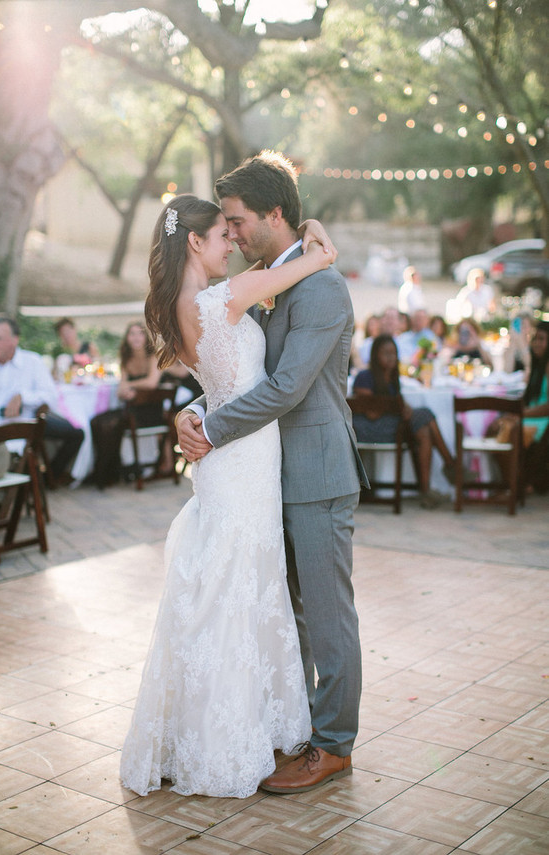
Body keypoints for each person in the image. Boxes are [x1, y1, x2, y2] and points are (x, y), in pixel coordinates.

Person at [120, 191, 341, 799]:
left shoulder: (187, 304)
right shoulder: (223, 298)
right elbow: (317, 258)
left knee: (229, 590)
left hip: (232, 462)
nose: (232, 245)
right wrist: (312, 230)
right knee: (239, 591)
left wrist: (188, 414)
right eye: (222, 235)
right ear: (195, 241)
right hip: (241, 462)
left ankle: (215, 728)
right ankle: (225, 738)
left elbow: (221, 389)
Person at [175, 151, 367, 796]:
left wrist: (211, 430)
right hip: (266, 475)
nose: (231, 234)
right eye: (225, 225)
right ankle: (298, 728)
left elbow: (286, 387)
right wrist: (194, 409)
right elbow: (239, 374)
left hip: (317, 472)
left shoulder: (321, 287)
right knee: (290, 613)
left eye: (237, 220)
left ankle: (333, 746)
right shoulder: (269, 280)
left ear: (274, 213)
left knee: (327, 615)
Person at [352, 334, 462, 508]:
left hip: (391, 426)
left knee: (424, 430)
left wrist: (403, 409)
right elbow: (371, 412)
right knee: (425, 415)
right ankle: (450, 466)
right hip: (371, 429)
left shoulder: (392, 378)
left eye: (393, 353)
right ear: (375, 355)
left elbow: (395, 405)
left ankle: (427, 490)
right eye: (386, 353)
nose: (391, 357)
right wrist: (397, 409)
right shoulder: (365, 377)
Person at [0, 316, 83, 484]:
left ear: (15, 339)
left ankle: (50, 478)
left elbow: (51, 396)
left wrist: (23, 396)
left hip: (22, 431)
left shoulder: (32, 362)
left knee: (76, 434)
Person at [90, 320, 168, 489]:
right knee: (97, 422)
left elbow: (152, 383)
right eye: (132, 334)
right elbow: (120, 390)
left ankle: (109, 472)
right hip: (131, 409)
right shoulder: (126, 360)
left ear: (146, 337)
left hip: (150, 412)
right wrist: (125, 392)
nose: (136, 337)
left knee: (111, 424)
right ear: (127, 338)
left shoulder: (154, 356)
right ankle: (105, 471)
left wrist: (132, 386)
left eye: (140, 333)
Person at [522, 320, 549, 494]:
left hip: (541, 418)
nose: (537, 343)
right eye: (535, 339)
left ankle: (521, 483)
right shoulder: (537, 365)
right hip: (532, 414)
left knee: (512, 430)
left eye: (542, 339)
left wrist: (523, 413)